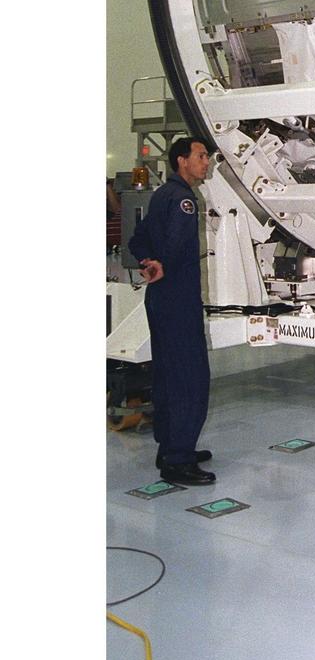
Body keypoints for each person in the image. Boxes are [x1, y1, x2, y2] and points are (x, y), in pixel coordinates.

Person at [127, 136, 216, 486]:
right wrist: (162, 262)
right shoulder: (184, 200)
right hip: (179, 302)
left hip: (160, 300)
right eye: (200, 156)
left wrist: (150, 262)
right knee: (190, 379)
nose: (206, 162)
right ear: (182, 160)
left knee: (166, 374)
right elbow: (177, 248)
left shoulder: (162, 194)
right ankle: (178, 461)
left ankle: (170, 446)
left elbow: (137, 240)